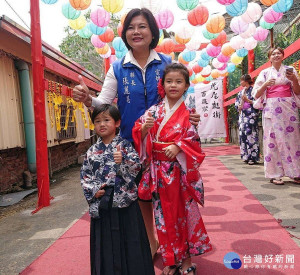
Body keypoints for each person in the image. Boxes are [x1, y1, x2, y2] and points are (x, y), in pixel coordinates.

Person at [73, 8, 200, 258]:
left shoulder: (167, 64)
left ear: (153, 32)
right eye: (130, 27)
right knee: (141, 194)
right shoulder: (117, 67)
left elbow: (183, 96)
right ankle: (152, 241)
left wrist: (192, 116)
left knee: (170, 196)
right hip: (133, 144)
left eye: (142, 26)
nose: (136, 32)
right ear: (124, 34)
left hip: (166, 146)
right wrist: (89, 99)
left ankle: (176, 243)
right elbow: (104, 102)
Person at [132, 63, 212, 275]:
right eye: (169, 81)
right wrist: (144, 129)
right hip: (158, 173)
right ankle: (170, 259)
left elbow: (193, 141)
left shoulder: (188, 113)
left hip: (179, 174)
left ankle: (185, 261)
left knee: (182, 216)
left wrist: (179, 146)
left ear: (186, 86)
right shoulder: (154, 111)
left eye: (179, 81)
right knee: (162, 216)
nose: (173, 85)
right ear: (163, 84)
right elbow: (138, 131)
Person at [81, 104, 155, 275]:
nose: (102, 124)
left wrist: (124, 162)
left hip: (125, 201)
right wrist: (93, 190)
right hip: (102, 202)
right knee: (104, 243)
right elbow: (85, 175)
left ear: (117, 123)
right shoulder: (91, 151)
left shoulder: (126, 146)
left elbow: (137, 168)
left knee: (131, 240)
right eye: (98, 121)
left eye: (107, 120)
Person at [252, 47, 300, 185]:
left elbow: (297, 91)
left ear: (283, 56)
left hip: (288, 108)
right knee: (272, 141)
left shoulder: (290, 70)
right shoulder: (265, 73)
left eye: (279, 53)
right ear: (269, 58)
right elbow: (255, 94)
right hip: (271, 110)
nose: (276, 55)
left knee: (293, 140)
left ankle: (295, 172)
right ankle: (275, 174)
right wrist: (266, 85)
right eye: (273, 53)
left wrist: (295, 80)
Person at [235, 74, 260, 165]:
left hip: (251, 116)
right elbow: (237, 103)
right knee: (243, 135)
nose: (241, 82)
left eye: (241, 80)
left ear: (246, 81)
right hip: (243, 116)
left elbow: (258, 103)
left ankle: (252, 157)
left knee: (251, 135)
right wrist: (238, 106)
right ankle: (245, 155)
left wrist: (248, 101)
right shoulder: (241, 92)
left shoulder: (254, 91)